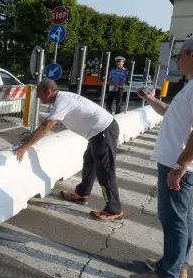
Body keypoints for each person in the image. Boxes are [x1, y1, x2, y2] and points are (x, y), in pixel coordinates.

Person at [129, 35, 193, 278]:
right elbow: (174, 113)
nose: (177, 61)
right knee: (183, 217)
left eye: (179, 55)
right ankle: (176, 266)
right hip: (179, 162)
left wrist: (181, 164)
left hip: (180, 164)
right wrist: (151, 99)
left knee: (173, 219)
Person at [15, 79, 124, 220]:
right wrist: (31, 137)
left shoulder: (61, 102)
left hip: (104, 130)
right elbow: (44, 125)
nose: (37, 97)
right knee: (89, 161)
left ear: (48, 92)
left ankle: (114, 210)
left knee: (105, 170)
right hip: (98, 132)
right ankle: (82, 193)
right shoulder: (62, 97)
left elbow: (46, 127)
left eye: (39, 94)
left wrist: (24, 147)